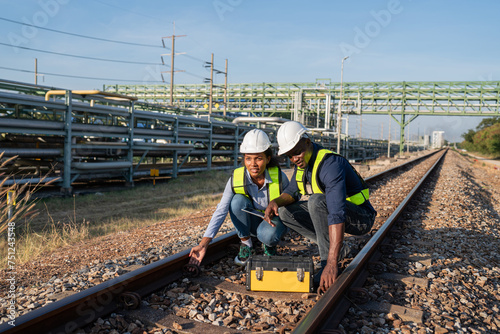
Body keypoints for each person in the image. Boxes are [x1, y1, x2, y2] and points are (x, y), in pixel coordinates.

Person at [264, 121, 376, 292]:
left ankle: (327, 260)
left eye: (297, 153)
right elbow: (292, 192)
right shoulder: (303, 163)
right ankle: (340, 249)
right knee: (286, 212)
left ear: (307, 142)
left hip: (361, 217)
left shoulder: (330, 165)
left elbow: (336, 214)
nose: (294, 159)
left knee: (316, 201)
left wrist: (331, 264)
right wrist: (275, 203)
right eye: (289, 156)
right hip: (338, 213)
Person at [189, 129, 289, 267]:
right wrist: (204, 244)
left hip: (272, 223)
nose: (253, 164)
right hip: (252, 222)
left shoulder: (280, 178)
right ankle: (247, 244)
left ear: (268, 159)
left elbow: (291, 205)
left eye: (258, 158)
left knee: (267, 235)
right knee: (236, 201)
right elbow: (221, 210)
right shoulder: (236, 179)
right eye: (248, 158)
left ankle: (269, 246)